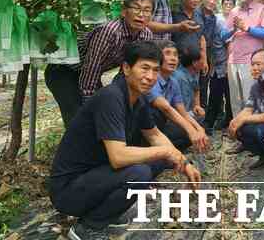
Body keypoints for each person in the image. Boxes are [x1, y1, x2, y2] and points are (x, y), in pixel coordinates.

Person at [48, 41, 201, 240]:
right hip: (69, 190)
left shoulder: (139, 98)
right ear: (126, 68)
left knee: (159, 159)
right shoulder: (111, 97)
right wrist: (166, 152)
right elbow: (118, 157)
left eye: (155, 70)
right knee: (140, 172)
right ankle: (87, 228)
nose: (150, 77)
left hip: (95, 177)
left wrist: (183, 162)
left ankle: (107, 211)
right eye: (144, 68)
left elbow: (154, 135)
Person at [45, 0, 154, 128]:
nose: (141, 14)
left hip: (90, 75)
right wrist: (90, 109)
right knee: (78, 120)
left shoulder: (146, 36)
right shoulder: (109, 32)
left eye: (146, 10)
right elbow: (91, 70)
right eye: (136, 8)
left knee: (106, 112)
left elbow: (127, 73)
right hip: (64, 71)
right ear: (124, 11)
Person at [145, 40, 209, 152]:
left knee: (197, 127)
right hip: (147, 128)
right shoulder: (151, 79)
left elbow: (183, 112)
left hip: (163, 125)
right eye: (167, 53)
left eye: (175, 55)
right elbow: (166, 108)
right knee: (157, 114)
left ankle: (167, 149)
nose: (173, 58)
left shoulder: (173, 82)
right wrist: (191, 131)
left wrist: (199, 129)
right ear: (157, 57)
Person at [223, 0, 264, 117]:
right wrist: (233, 29)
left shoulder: (261, 9)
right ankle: (237, 132)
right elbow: (222, 36)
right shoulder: (234, 12)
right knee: (235, 99)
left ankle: (251, 130)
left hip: (251, 62)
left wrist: (247, 28)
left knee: (250, 98)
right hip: (233, 61)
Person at [226, 49, 264, 158]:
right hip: (263, 122)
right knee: (239, 127)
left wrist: (244, 119)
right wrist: (235, 122)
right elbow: (248, 109)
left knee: (260, 131)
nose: (254, 68)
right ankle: (263, 155)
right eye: (252, 65)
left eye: (258, 64)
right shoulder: (255, 86)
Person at [205, 0, 233, 132]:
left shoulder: (232, 21)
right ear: (222, 5)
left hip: (226, 65)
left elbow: (230, 45)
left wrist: (228, 65)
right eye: (225, 3)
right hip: (216, 64)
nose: (228, 5)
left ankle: (227, 121)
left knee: (229, 95)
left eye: (230, 4)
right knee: (215, 94)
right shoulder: (217, 19)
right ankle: (210, 121)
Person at [171, 0, 208, 73]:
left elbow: (202, 37)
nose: (196, 0)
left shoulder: (199, 14)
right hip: (178, 63)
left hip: (195, 63)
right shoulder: (174, 14)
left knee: (194, 86)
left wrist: (204, 59)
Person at [171, 45, 206, 124]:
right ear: (194, 63)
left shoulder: (193, 73)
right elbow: (182, 109)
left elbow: (196, 90)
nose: (204, 62)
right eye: (202, 59)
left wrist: (197, 105)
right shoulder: (181, 78)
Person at [198, 0, 219, 109]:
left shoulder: (213, 18)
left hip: (207, 56)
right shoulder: (195, 13)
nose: (212, 1)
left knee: (203, 86)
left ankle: (202, 118)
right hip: (194, 55)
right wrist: (204, 59)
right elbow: (200, 37)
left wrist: (211, 62)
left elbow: (210, 40)